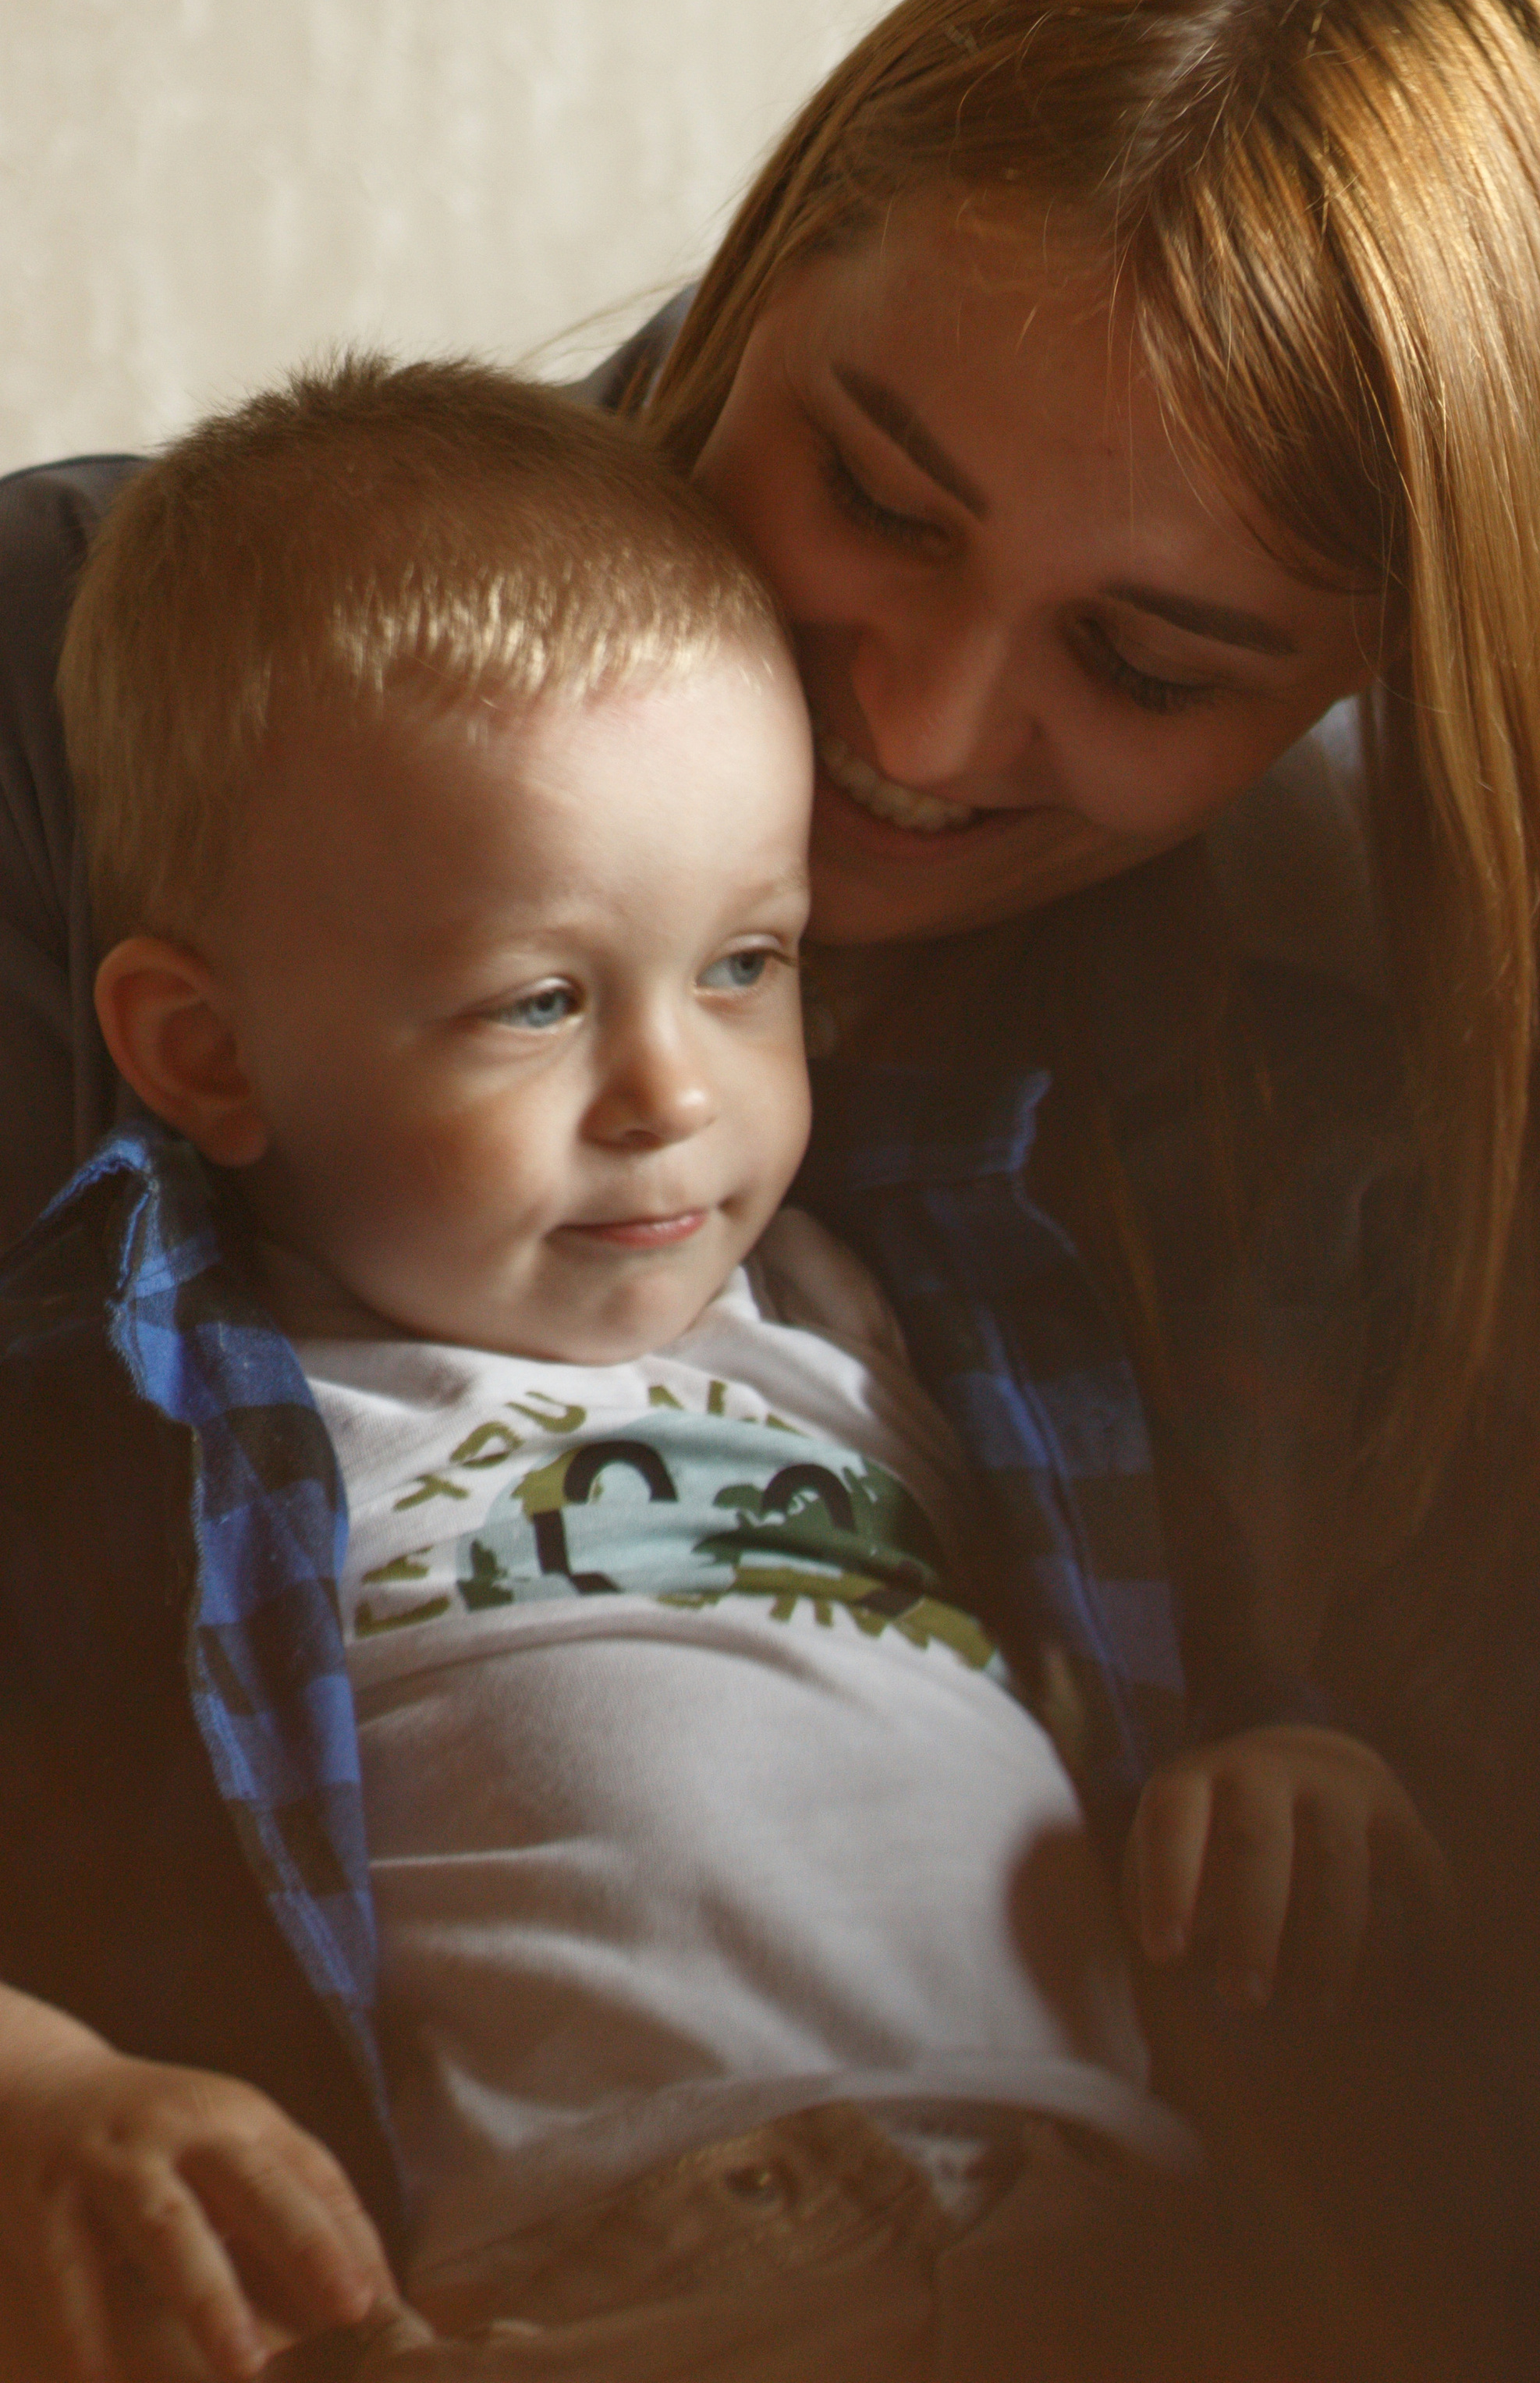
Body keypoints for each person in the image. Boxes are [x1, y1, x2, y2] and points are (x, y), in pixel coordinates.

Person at [0, 0, 1540, 2371]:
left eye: (1148, 667)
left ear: (1356, 679)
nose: (904, 727)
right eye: (876, 498)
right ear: (769, 269)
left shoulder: (1315, 1098)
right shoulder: (95, 690)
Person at [0, 353, 1443, 2383]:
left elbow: (1145, 1646)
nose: (675, 1093)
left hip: (1126, 2236)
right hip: (607, 2276)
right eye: (537, 1000)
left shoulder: (910, 1312)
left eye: (750, 964)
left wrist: (1278, 1750)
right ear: (210, 1057)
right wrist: (45, 2088)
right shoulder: (150, 1427)